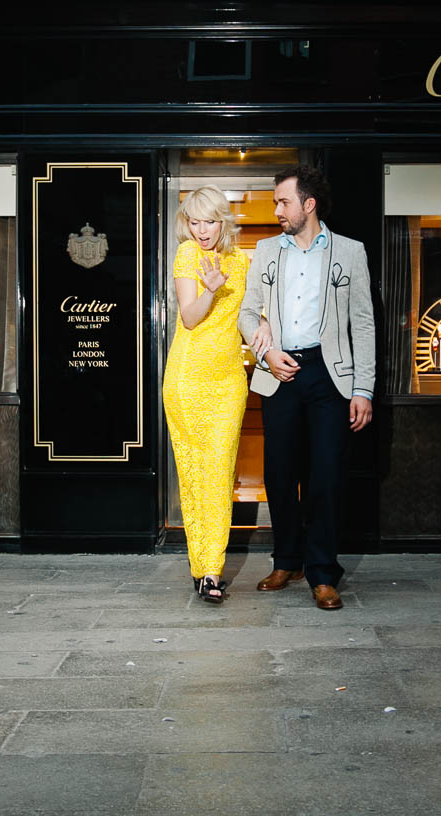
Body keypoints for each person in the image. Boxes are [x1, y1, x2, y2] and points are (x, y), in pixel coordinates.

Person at [238, 167, 375, 611]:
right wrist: (265, 353)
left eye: (283, 202)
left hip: (329, 374)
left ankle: (321, 572)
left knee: (327, 475)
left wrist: (363, 389)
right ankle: (287, 560)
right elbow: (246, 314)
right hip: (279, 372)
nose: (276, 209)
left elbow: (364, 325)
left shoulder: (350, 252)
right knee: (279, 473)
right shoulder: (264, 252)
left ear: (308, 204)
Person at [161, 186, 271, 603]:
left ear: (224, 221)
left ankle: (210, 563)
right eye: (194, 221)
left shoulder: (243, 262)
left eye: (209, 220)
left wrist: (265, 325)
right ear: (186, 224)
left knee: (220, 471)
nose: (202, 229)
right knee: (194, 473)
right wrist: (209, 288)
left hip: (227, 380)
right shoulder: (188, 255)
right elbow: (189, 318)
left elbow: (250, 314)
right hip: (188, 379)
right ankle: (206, 570)